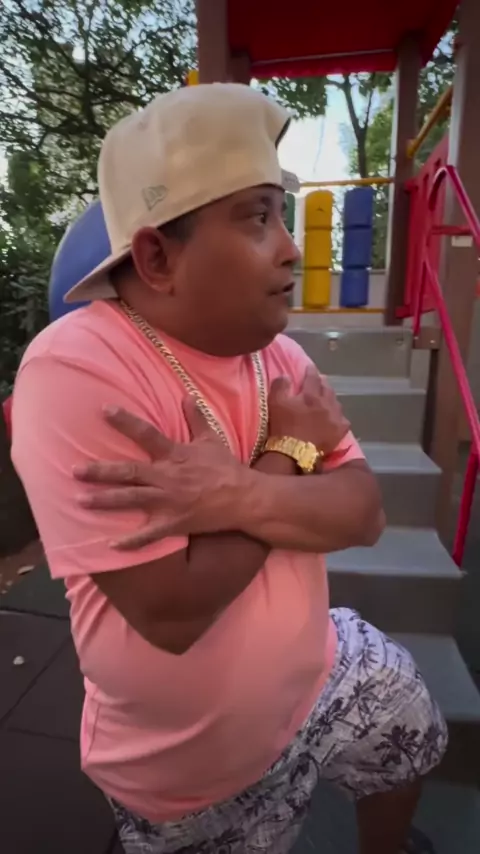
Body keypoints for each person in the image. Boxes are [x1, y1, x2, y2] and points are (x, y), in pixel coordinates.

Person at [11, 83, 447, 854]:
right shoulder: (78, 370)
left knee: (412, 728)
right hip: (191, 765)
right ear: (156, 256)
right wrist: (289, 456)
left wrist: (237, 491)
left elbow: (364, 514)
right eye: (256, 217)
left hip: (320, 668)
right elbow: (172, 610)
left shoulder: (279, 355)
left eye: (282, 214)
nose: (291, 247)